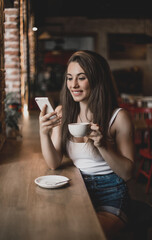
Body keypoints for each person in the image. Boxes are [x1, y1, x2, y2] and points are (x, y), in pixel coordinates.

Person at [39, 50, 135, 240]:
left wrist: (102, 145)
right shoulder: (63, 112)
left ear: (96, 79)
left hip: (112, 193)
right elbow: (53, 162)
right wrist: (43, 133)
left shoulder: (118, 118)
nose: (73, 85)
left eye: (81, 78)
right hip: (77, 188)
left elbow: (127, 173)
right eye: (69, 78)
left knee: (84, 234)